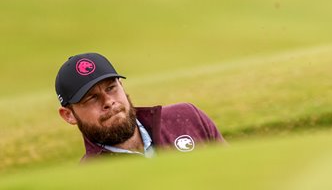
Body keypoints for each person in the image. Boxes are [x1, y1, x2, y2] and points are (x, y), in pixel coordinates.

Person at [55, 52, 224, 161]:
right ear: (68, 115)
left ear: (121, 85)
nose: (108, 101)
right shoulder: (88, 180)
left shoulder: (187, 118)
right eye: (91, 98)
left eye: (111, 88)